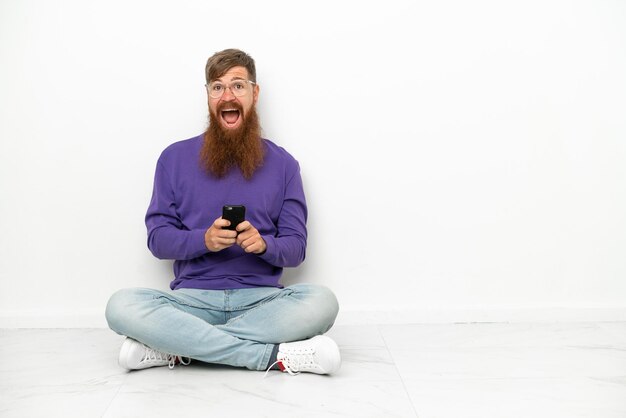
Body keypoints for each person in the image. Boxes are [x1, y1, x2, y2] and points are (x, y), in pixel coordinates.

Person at [105, 49, 340, 376]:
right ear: (207, 96)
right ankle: (270, 357)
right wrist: (205, 240)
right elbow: (158, 240)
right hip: (191, 304)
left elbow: (296, 248)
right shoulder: (173, 159)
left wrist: (264, 245)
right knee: (121, 305)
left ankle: (174, 349)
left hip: (262, 304)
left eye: (238, 86)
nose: (227, 95)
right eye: (217, 87)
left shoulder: (284, 165)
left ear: (254, 94)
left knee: (322, 302)